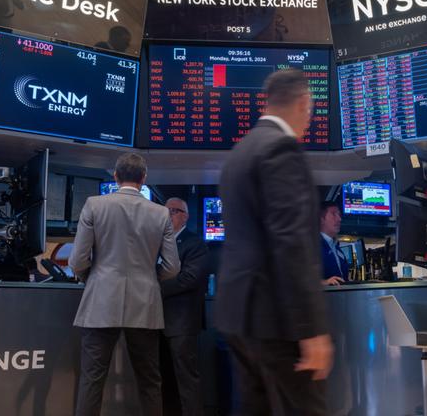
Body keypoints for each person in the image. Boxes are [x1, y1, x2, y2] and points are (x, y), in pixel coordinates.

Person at [216, 69, 333, 415]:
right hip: (276, 318)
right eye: (310, 108)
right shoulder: (281, 149)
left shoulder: (240, 152)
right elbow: (291, 242)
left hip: (237, 316)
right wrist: (311, 330)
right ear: (302, 102)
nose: (309, 118)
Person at [69, 153, 181, 416]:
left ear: (116, 176)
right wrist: (150, 279)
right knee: (150, 381)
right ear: (143, 179)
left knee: (92, 380)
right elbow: (173, 267)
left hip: (100, 302)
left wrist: (93, 278)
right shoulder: (161, 213)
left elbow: (77, 261)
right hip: (145, 305)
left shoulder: (94, 205)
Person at [160, 197, 209, 416]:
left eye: (174, 211)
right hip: (157, 321)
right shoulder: (157, 241)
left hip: (182, 323)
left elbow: (189, 278)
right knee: (164, 378)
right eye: (165, 211)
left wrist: (153, 289)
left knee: (186, 378)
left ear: (185, 216)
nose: (168, 215)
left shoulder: (195, 243)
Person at [320, 201, 349, 286]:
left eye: (339, 215)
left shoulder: (336, 247)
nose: (339, 219)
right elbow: (297, 278)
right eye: (333, 214)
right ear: (321, 219)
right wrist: (324, 282)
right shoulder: (311, 245)